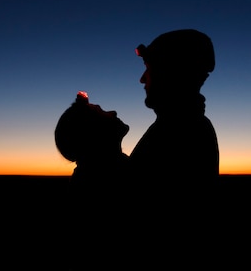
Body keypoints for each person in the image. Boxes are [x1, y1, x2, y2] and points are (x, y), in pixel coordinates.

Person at [129, 28, 219, 190]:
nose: (142, 79)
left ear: (171, 72)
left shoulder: (178, 131)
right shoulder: (183, 125)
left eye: (149, 68)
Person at [54, 90, 130, 191]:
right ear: (93, 130)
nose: (113, 112)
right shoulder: (90, 182)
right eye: (101, 112)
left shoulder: (86, 176)